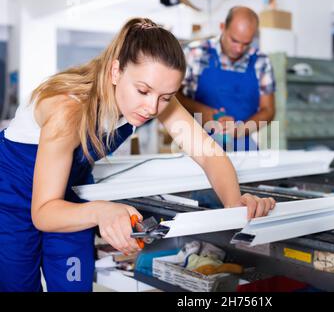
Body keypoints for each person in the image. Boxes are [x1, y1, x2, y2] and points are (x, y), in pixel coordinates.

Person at [0, 17, 275, 292]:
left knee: (73, 285)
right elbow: (44, 213)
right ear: (116, 71)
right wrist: (104, 211)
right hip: (13, 195)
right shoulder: (68, 111)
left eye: (166, 97)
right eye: (143, 91)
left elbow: (208, 154)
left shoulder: (154, 96)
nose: (153, 108)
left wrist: (234, 205)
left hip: (72, 189)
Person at [178, 6, 276, 152]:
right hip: (199, 140)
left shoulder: (261, 61)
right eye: (234, 41)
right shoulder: (195, 54)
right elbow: (174, 97)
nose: (239, 49)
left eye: (246, 44)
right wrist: (204, 112)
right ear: (223, 27)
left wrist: (238, 130)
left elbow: (268, 110)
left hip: (242, 141)